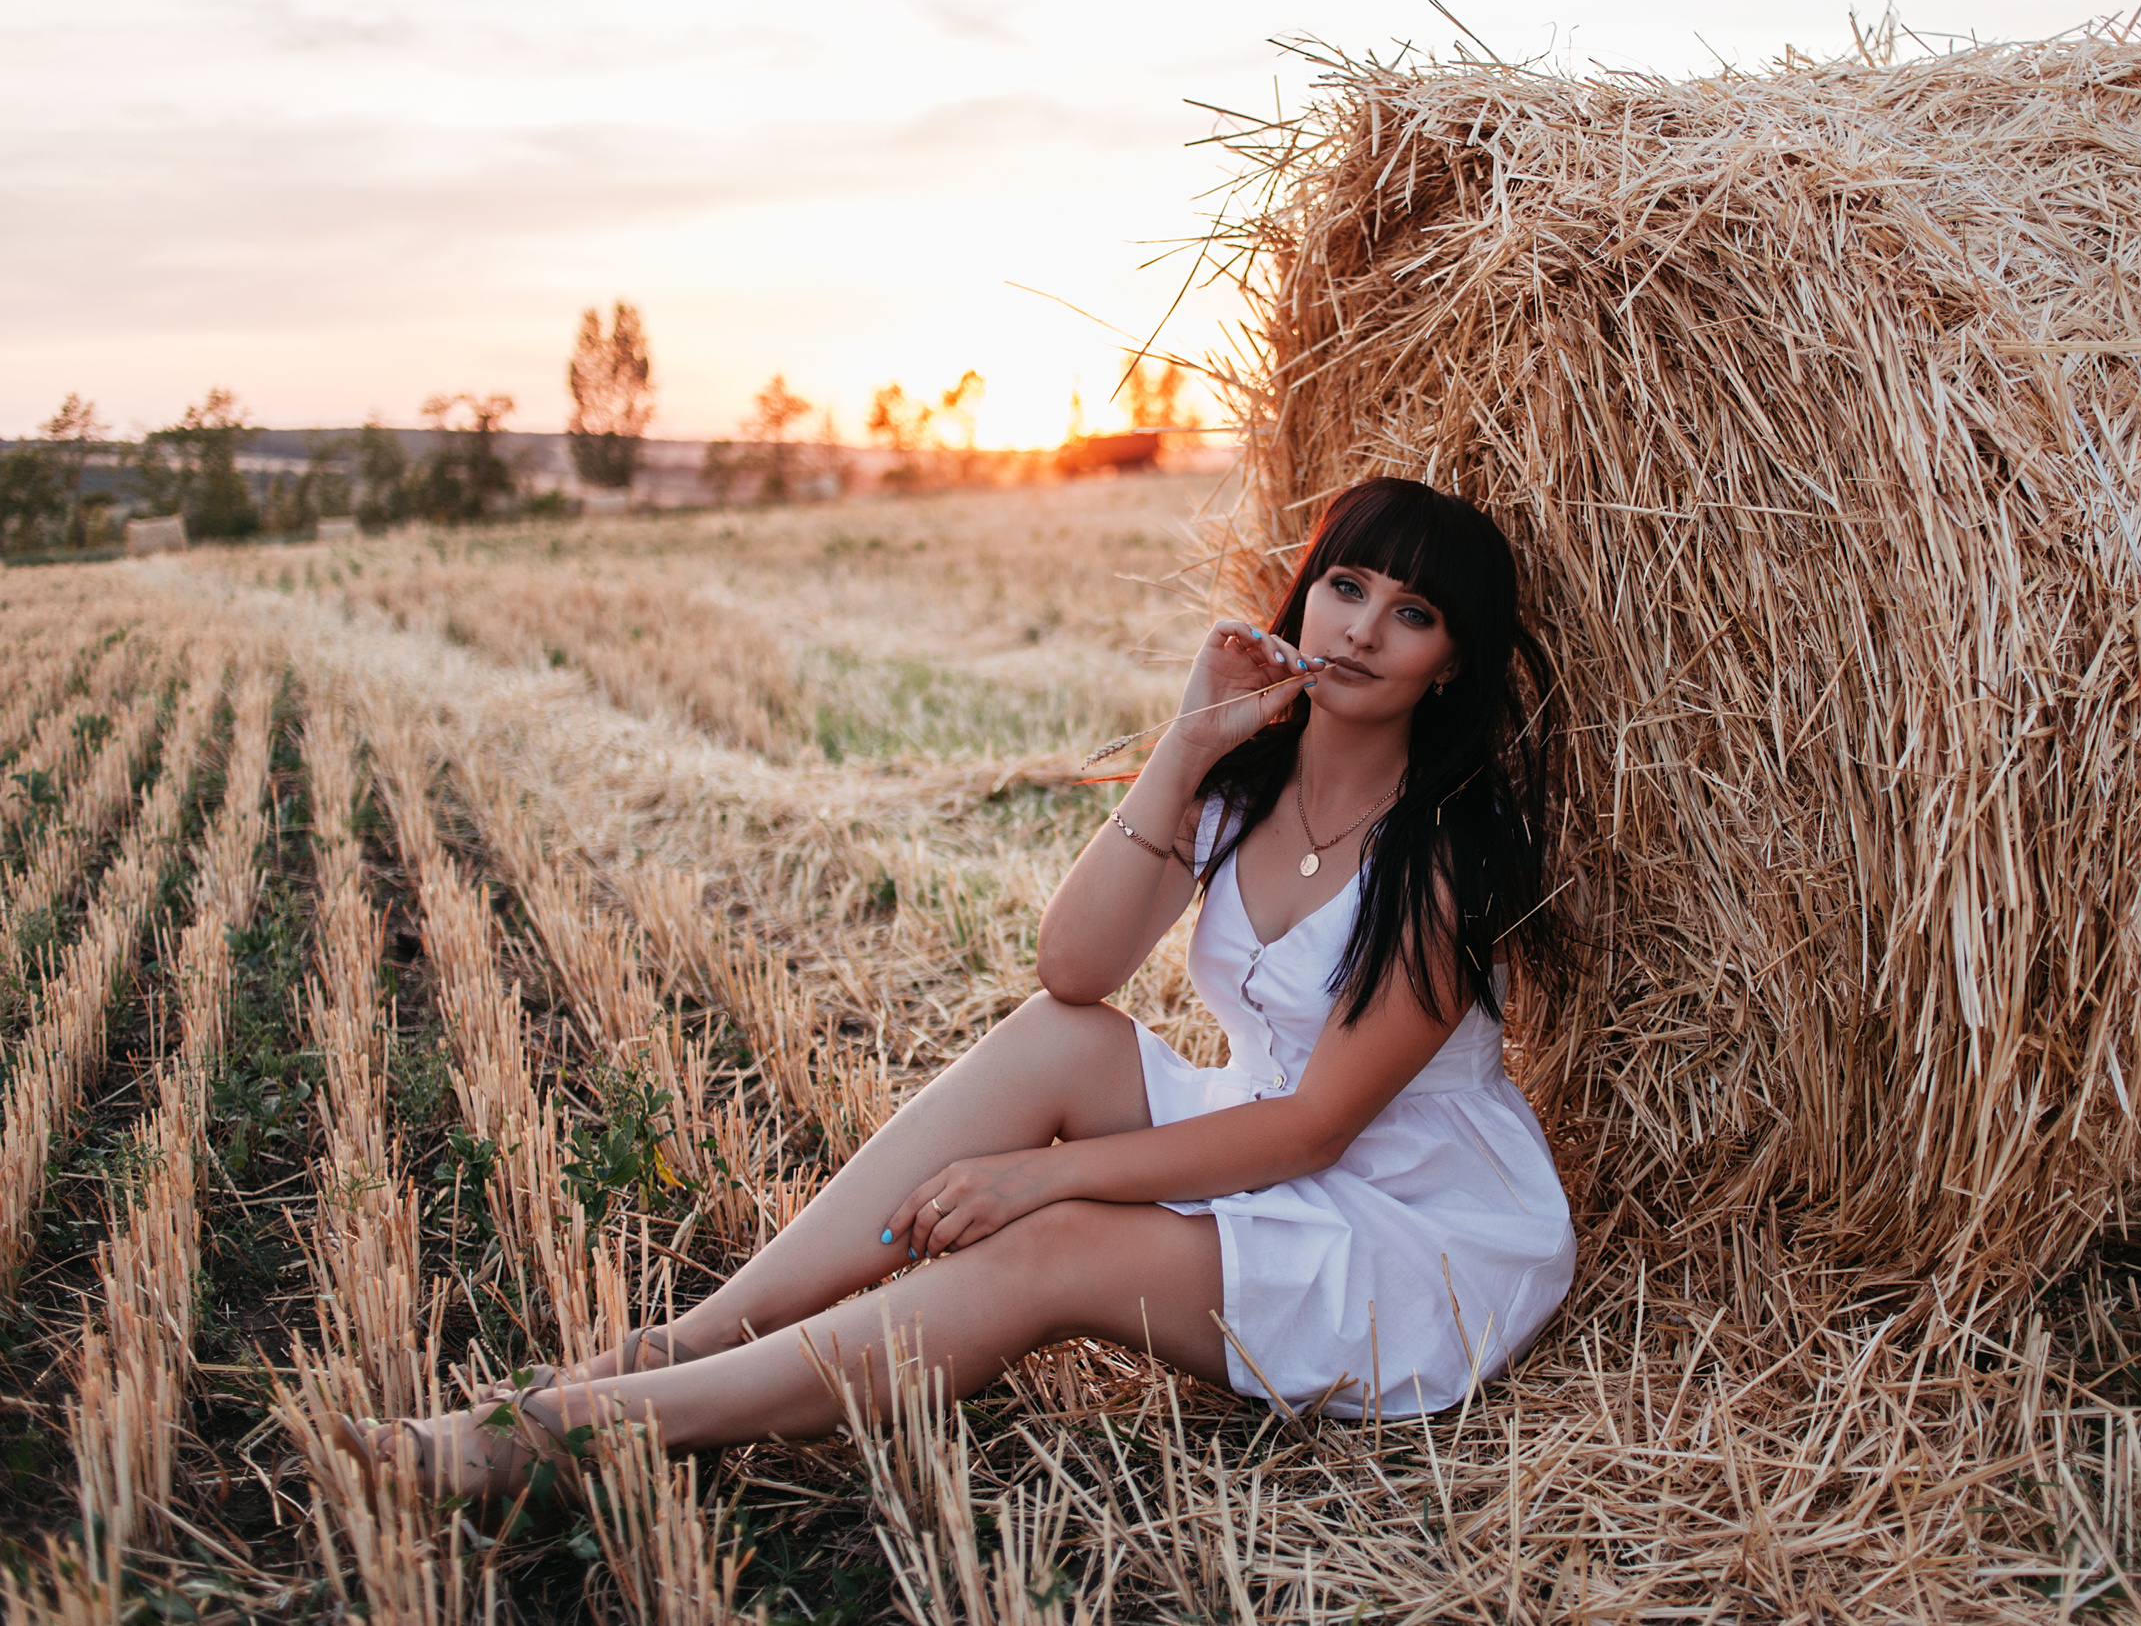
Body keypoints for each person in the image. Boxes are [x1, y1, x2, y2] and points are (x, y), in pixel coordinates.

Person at [329, 476, 1575, 1500]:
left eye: (1410, 613)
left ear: (1451, 662)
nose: (1359, 630)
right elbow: (1074, 970)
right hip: (1265, 1154)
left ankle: (586, 1431)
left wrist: (1044, 1174)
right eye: (1345, 586)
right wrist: (1185, 745)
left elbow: (1314, 1126)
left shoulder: (1442, 852)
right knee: (1058, 1037)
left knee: (1053, 1246)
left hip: (1406, 1229)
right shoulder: (1245, 782)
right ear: (1304, 595)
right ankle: (696, 1336)